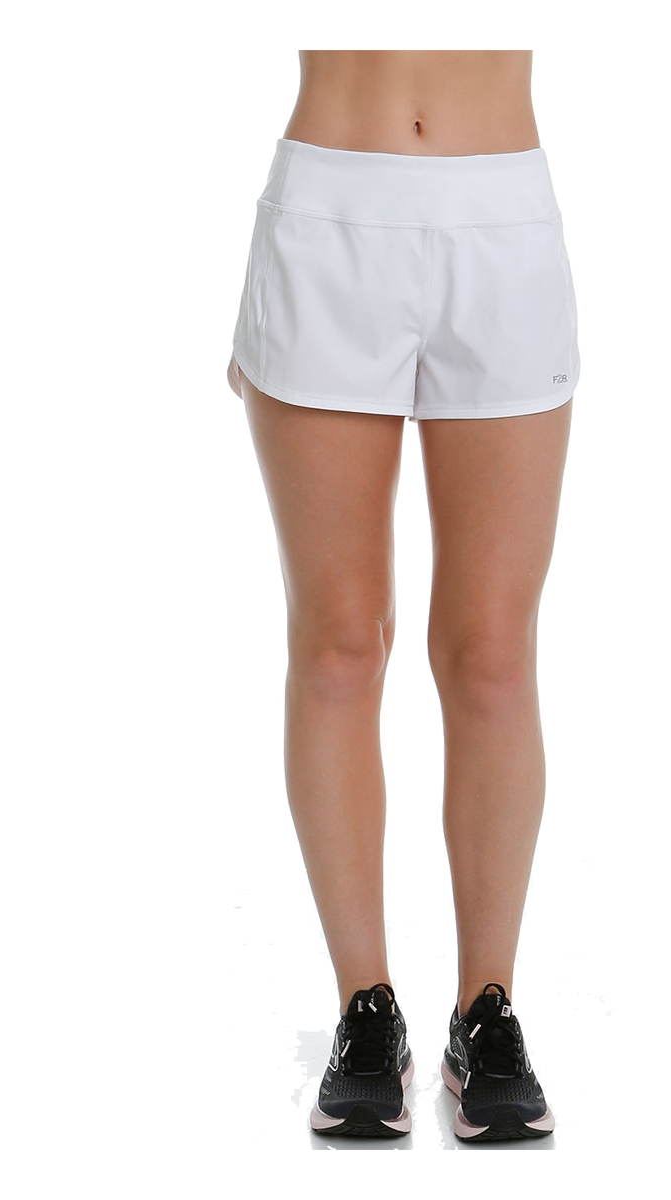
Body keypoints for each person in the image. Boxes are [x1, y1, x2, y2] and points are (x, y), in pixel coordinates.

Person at [227, 50, 577, 1141]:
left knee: (492, 654)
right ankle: (364, 1012)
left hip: (498, 208)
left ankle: (487, 1011)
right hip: (332, 203)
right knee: (339, 643)